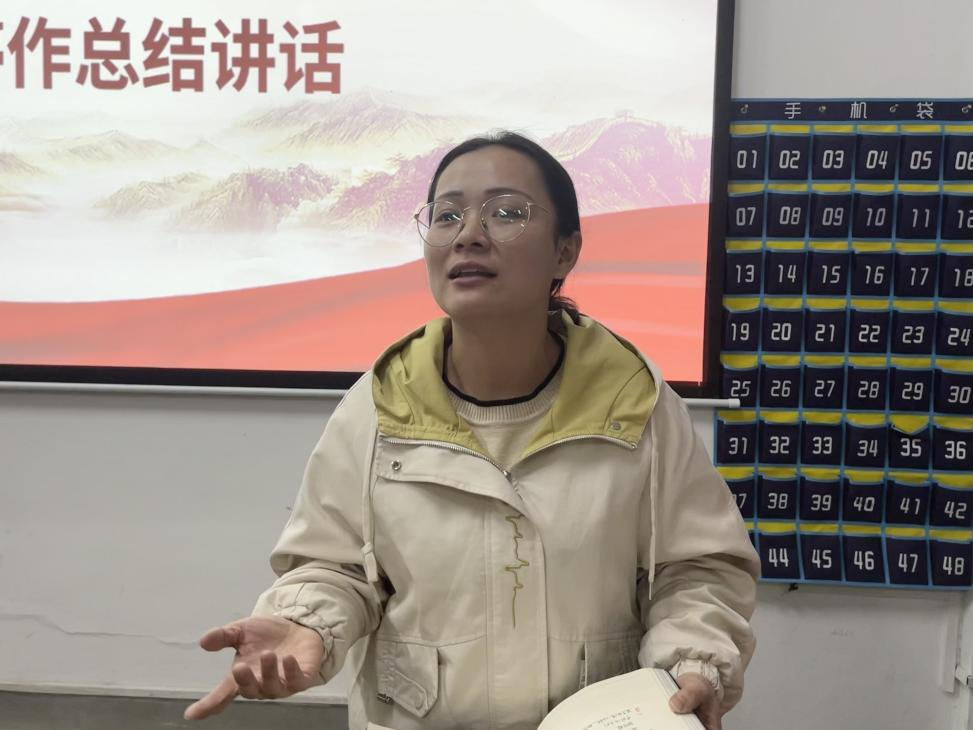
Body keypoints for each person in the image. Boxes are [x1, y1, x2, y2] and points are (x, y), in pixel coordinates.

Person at [184, 131, 759, 730]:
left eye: (507, 212)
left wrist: (693, 662)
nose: (468, 235)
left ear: (565, 252)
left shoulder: (633, 404)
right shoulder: (379, 407)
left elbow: (698, 570)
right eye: (447, 215)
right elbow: (338, 567)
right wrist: (305, 623)